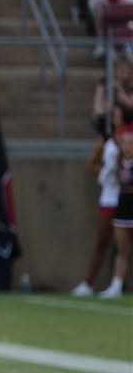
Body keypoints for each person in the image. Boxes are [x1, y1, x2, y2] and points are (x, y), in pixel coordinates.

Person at [72, 104, 126, 296]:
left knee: (123, 246)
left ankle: (117, 284)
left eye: (121, 117)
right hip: (108, 198)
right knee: (102, 241)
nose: (117, 120)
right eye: (115, 117)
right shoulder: (107, 140)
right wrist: (104, 172)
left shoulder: (128, 139)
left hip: (125, 197)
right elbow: (91, 164)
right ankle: (88, 283)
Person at [98, 121, 133, 297]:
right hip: (122, 206)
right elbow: (103, 178)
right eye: (124, 143)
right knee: (122, 250)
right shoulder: (117, 162)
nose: (127, 146)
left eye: (131, 143)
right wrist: (109, 168)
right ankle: (116, 286)